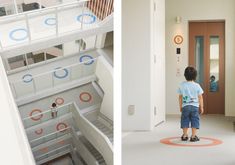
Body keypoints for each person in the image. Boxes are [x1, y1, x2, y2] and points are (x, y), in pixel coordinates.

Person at [178, 66, 204, 142]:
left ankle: (185, 135)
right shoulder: (197, 85)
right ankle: (193, 136)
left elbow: (180, 97)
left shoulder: (182, 85)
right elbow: (200, 97)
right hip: (195, 106)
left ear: (185, 75)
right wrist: (201, 107)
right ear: (195, 76)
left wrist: (180, 106)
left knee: (185, 119)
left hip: (185, 106)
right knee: (195, 120)